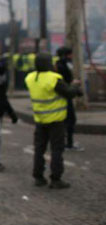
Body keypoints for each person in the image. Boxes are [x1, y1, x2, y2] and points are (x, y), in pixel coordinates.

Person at [25, 52, 83, 189]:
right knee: (57, 150)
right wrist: (75, 85)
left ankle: (38, 177)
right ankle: (56, 179)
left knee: (39, 149)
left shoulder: (30, 78)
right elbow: (68, 93)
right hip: (56, 120)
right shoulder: (53, 79)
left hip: (40, 119)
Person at [55, 46, 83, 152]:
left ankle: (65, 142)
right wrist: (75, 88)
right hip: (65, 96)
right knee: (70, 120)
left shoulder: (60, 64)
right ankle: (68, 143)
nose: (72, 56)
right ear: (65, 55)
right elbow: (67, 82)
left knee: (67, 120)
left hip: (64, 96)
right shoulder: (62, 66)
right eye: (70, 54)